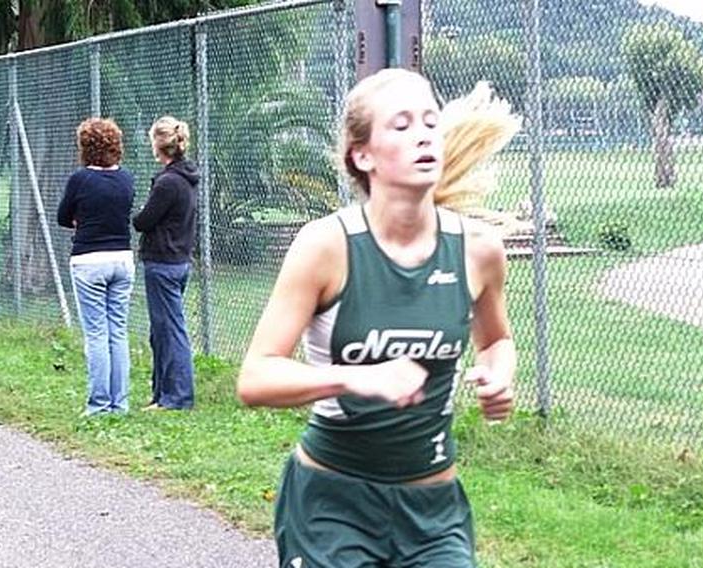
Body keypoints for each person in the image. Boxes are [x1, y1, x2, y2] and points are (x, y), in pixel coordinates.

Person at [237, 68, 521, 567]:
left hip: (433, 513)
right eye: (402, 125)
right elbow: (256, 377)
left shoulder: (478, 249)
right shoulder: (326, 246)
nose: (424, 134)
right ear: (362, 154)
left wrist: (499, 376)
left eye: (431, 121)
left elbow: (496, 340)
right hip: (332, 505)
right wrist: (356, 379)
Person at [57, 117, 135, 416]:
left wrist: (82, 218)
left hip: (89, 260)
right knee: (118, 331)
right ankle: (121, 403)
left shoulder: (80, 180)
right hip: (122, 259)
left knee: (96, 333)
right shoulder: (126, 179)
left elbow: (64, 217)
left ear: (85, 147)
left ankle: (99, 404)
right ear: (116, 145)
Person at [132, 116, 199, 411]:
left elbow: (144, 221)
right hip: (179, 260)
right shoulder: (186, 178)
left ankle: (178, 397)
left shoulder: (168, 183)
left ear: (158, 144)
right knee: (160, 330)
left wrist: (135, 214)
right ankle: (162, 394)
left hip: (162, 262)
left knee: (170, 330)